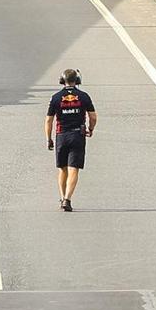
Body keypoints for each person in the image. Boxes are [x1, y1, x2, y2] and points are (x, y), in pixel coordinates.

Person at [44, 69, 97, 212]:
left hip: (61, 136)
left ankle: (62, 197)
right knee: (74, 169)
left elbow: (49, 120)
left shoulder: (56, 97)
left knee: (62, 169)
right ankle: (67, 198)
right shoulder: (84, 96)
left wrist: (49, 139)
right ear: (77, 80)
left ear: (62, 80)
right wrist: (91, 129)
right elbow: (93, 116)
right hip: (77, 136)